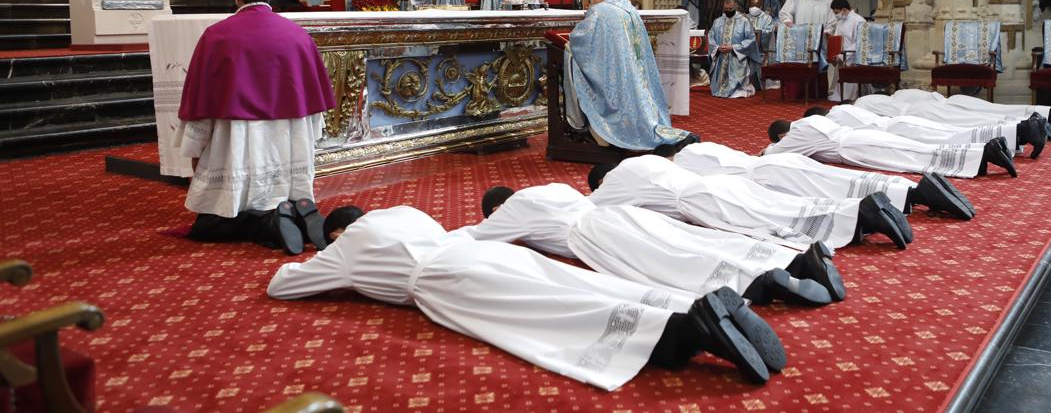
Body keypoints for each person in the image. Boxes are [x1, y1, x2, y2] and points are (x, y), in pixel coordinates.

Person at [268, 205, 785, 388]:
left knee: (556, 315)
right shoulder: (406, 213)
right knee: (579, 283)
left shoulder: (347, 246)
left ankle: (685, 332)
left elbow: (282, 286)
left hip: (446, 282)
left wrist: (323, 256)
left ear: (339, 232)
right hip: (477, 254)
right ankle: (687, 304)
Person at [175, 0, 337, 255]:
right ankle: (289, 213)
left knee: (211, 225)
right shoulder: (296, 35)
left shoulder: (217, 36)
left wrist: (196, 146)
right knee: (282, 187)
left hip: (234, 133)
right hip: (287, 132)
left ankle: (267, 223)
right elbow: (313, 102)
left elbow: (202, 96)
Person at [466, 183, 842, 306]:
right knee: (692, 237)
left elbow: (479, 235)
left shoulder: (512, 208)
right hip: (619, 215)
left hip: (595, 235)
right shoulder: (553, 187)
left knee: (671, 262)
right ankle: (793, 262)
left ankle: (760, 283)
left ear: (498, 205)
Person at [588, 154, 913, 250]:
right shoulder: (645, 160)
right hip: (720, 184)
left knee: (774, 221)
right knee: (783, 206)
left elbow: (593, 207)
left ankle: (862, 215)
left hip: (702, 200)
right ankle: (860, 212)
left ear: (603, 179)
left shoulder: (612, 183)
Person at [672, 141, 975, 221]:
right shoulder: (703, 148)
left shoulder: (683, 165)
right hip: (773, 164)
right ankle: (912, 189)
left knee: (834, 190)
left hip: (766, 176)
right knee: (842, 178)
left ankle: (915, 196)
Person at [563, 0, 694, 152]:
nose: (590, 1)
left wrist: (570, 44)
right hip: (636, 73)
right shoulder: (629, 9)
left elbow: (583, 40)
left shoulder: (600, 10)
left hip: (618, 76)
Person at [765, 115, 1018, 178]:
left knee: (914, 157)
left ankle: (985, 153)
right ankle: (981, 155)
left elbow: (774, 154)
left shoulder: (799, 131)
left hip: (855, 147)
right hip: (860, 138)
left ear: (782, 134)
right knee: (916, 151)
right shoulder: (814, 119)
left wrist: (767, 149)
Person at [805, 104, 1043, 158]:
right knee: (956, 131)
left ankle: (1022, 130)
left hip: (898, 130)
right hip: (900, 123)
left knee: (953, 137)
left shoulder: (831, 120)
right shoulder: (842, 107)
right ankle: (1020, 130)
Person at [853, 89, 1051, 139]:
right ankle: (1034, 118)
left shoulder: (861, 105)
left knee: (974, 123)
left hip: (922, 114)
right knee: (987, 114)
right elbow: (932, 96)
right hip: (940, 103)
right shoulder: (898, 95)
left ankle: (1025, 125)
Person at [707, 0, 760, 99]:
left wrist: (733, 47)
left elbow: (751, 39)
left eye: (730, 9)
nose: (727, 11)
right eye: (725, 9)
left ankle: (737, 89)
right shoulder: (717, 21)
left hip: (736, 56)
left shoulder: (744, 21)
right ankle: (721, 89)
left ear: (735, 7)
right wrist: (717, 48)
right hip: (721, 57)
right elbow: (710, 37)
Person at [827, 0, 867, 101]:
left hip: (853, 55)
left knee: (851, 81)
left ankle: (851, 98)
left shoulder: (858, 20)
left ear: (844, 10)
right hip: (842, 55)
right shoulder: (840, 20)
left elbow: (859, 41)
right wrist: (834, 52)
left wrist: (842, 55)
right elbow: (837, 38)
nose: (836, 15)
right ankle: (841, 97)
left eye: (837, 12)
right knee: (841, 78)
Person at [746, 0, 776, 90]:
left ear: (761, 6)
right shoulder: (745, 17)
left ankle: (759, 83)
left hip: (760, 49)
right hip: (745, 48)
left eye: (756, 5)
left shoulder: (767, 18)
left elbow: (768, 32)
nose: (754, 8)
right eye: (752, 5)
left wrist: (758, 33)